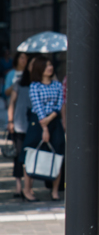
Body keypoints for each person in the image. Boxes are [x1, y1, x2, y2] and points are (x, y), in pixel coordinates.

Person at [24, 57, 65, 202]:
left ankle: (55, 191)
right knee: (32, 152)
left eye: (50, 65)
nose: (50, 68)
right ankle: (27, 189)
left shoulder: (57, 85)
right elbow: (37, 105)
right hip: (38, 121)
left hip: (54, 120)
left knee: (58, 152)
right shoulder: (35, 86)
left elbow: (59, 103)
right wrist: (44, 126)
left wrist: (51, 118)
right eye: (46, 65)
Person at [6, 60, 33, 199]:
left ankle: (29, 187)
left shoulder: (37, 84)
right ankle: (18, 187)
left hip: (33, 125)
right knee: (18, 156)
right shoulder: (19, 84)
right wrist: (10, 121)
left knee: (31, 157)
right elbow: (11, 103)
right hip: (19, 124)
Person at [3, 52, 28, 126]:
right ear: (17, 59)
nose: (24, 60)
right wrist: (16, 84)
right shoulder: (11, 74)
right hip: (14, 106)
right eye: (22, 58)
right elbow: (6, 92)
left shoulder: (29, 74)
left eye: (26, 58)